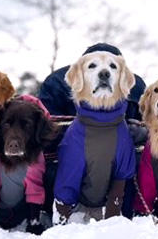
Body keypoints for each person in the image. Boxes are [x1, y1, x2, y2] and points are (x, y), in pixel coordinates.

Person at [38, 43, 148, 221]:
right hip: (72, 203)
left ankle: (122, 221)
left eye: (112, 67)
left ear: (122, 77)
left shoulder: (126, 128)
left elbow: (123, 179)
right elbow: (66, 180)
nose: (104, 73)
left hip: (113, 201)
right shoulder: (56, 86)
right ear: (80, 75)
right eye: (92, 66)